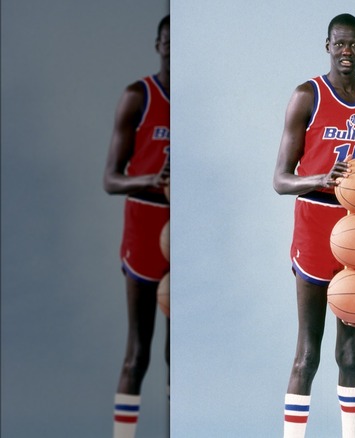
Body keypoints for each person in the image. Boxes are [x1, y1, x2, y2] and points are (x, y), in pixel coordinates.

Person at [272, 13, 355, 438]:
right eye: (339, 44)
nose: (346, 51)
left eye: (353, 44)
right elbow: (280, 180)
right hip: (315, 220)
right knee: (309, 350)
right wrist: (319, 179)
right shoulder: (308, 95)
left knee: (352, 350)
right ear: (327, 45)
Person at [102, 14, 170, 438]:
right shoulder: (138, 96)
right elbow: (109, 179)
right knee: (138, 350)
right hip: (145, 223)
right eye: (169, 41)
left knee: (175, 354)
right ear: (158, 44)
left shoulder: (196, 103)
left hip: (183, 229)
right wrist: (152, 180)